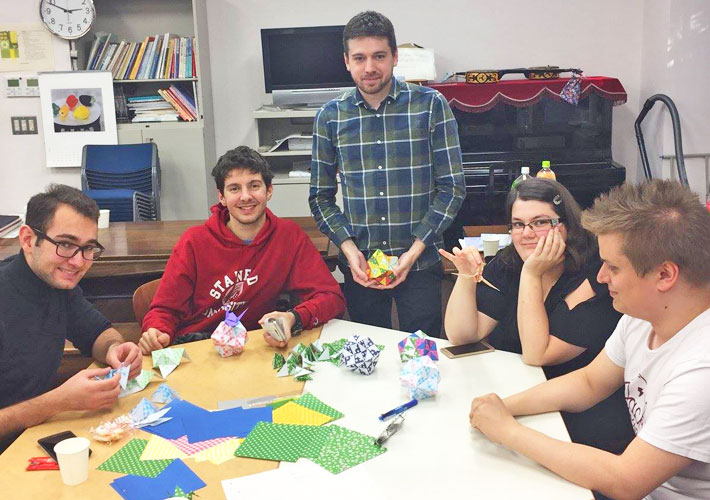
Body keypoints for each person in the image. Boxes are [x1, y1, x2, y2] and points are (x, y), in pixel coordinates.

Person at [469, 179, 710, 500]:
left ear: (665, 275)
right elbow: (588, 383)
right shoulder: (641, 319)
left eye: (612, 267)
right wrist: (500, 409)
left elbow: (626, 482)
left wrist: (507, 431)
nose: (600, 277)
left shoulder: (701, 371)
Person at [442, 178, 633, 455]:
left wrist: (532, 274)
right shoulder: (508, 263)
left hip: (574, 418)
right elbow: (462, 335)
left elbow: (537, 353)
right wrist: (465, 275)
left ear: (566, 225)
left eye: (540, 222)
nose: (526, 233)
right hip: (516, 397)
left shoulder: (597, 276)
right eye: (518, 224)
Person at [309, 10, 465, 337]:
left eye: (379, 56)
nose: (369, 67)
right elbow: (320, 197)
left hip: (421, 264)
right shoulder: (330, 117)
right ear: (346, 61)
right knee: (368, 355)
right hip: (361, 265)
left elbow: (452, 189)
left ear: (395, 57)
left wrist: (414, 251)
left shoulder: (431, 105)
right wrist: (348, 249)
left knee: (423, 351)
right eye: (360, 58)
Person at [139, 146, 345, 354]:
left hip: (253, 347)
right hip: (199, 347)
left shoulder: (288, 236)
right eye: (234, 188)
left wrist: (294, 317)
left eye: (254, 186)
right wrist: (157, 331)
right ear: (221, 196)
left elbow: (331, 297)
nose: (246, 197)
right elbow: (164, 310)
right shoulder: (194, 241)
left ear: (269, 190)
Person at [0, 185, 142, 453]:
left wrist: (115, 349)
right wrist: (58, 402)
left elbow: (98, 332)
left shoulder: (56, 285)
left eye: (88, 248)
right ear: (28, 240)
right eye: (65, 244)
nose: (78, 262)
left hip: (35, 440)